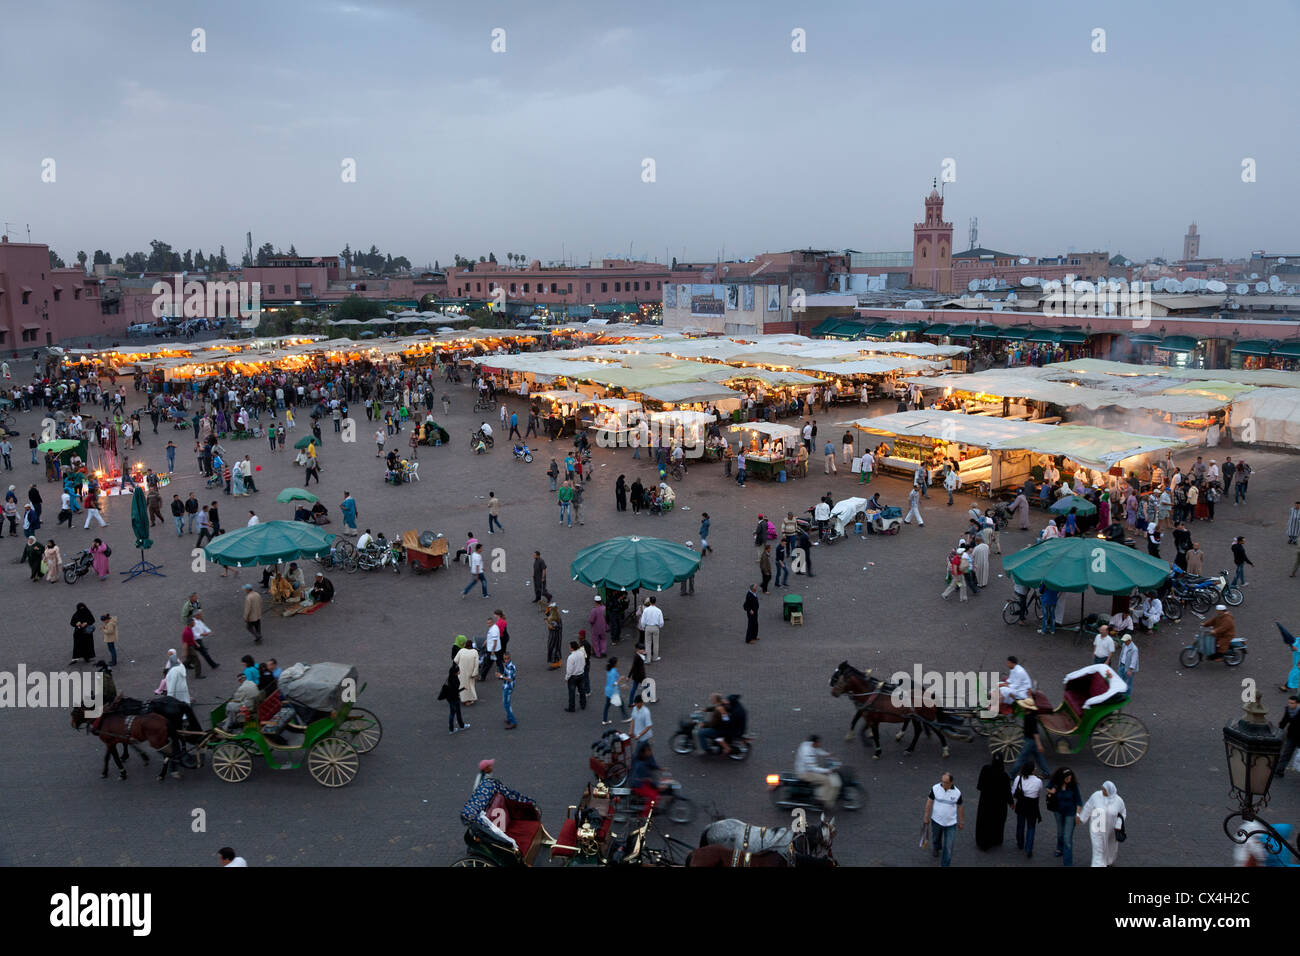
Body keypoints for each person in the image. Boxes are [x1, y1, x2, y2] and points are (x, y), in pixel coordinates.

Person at [1078, 781, 1126, 867]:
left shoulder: (1119, 801)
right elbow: (1088, 806)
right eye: (1102, 789)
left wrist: (1118, 825)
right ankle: (1098, 864)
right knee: (1098, 848)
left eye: (1105, 790)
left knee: (1111, 847)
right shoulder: (1096, 796)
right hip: (1097, 827)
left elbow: (1123, 812)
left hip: (1111, 829)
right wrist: (1082, 818)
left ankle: (1108, 861)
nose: (1103, 792)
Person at [923, 772, 964, 867]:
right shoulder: (935, 788)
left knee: (948, 847)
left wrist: (961, 821)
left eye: (945, 782)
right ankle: (936, 847)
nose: (942, 783)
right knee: (936, 837)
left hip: (951, 824)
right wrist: (926, 816)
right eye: (942, 781)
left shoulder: (957, 793)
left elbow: (960, 806)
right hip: (936, 821)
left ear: (951, 783)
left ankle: (944, 865)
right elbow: (929, 802)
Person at [1045, 768, 1083, 865]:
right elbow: (1047, 787)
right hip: (1058, 812)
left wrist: (1078, 815)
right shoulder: (1056, 782)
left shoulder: (1073, 786)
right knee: (1060, 833)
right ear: (1061, 778)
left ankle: (1068, 863)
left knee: (1067, 838)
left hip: (1070, 813)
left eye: (1070, 777)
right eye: (1067, 778)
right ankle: (1059, 848)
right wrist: (1052, 791)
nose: (1069, 779)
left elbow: (1079, 802)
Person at [975, 755, 1011, 850]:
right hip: (998, 804)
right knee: (996, 822)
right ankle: (994, 840)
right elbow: (1007, 792)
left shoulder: (985, 769)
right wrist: (1011, 802)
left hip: (985, 802)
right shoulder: (1004, 776)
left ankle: (982, 841)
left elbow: (979, 786)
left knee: (984, 821)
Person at [795, 734, 840, 808]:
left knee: (823, 776)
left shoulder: (807, 744)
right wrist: (827, 771)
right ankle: (822, 799)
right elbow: (813, 768)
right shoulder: (807, 753)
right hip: (805, 773)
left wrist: (827, 754)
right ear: (814, 743)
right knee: (827, 780)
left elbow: (817, 750)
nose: (820, 744)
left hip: (806, 769)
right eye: (818, 743)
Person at [1011, 765, 1043, 857]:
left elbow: (1013, 791)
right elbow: (1039, 792)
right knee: (1031, 827)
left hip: (1021, 804)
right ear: (1032, 771)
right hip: (1032, 806)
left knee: (1020, 825)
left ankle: (1020, 843)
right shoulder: (1038, 781)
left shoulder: (1018, 778)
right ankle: (1029, 848)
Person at [437, 661, 468, 734]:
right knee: (455, 713)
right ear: (456, 672)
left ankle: (453, 728)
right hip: (454, 698)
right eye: (459, 670)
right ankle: (460, 726)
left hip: (450, 698)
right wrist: (463, 689)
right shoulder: (455, 680)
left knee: (453, 713)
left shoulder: (451, 677)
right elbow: (455, 691)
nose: (460, 671)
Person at [1276, 696, 1300, 778]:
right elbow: (1284, 721)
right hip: (1292, 736)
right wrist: (1280, 730)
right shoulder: (1288, 710)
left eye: (1292, 703)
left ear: (1298, 703)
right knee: (1286, 754)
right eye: (1289, 702)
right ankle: (1279, 770)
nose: (1290, 705)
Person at [602, 657, 628, 725]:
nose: (618, 663)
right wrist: (620, 679)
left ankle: (604, 720)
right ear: (615, 664)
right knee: (621, 704)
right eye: (617, 662)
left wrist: (622, 685)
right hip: (613, 691)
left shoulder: (610, 670)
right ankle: (625, 717)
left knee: (607, 706)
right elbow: (614, 684)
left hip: (608, 691)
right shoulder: (613, 671)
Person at [455, 639, 479, 707]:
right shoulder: (475, 652)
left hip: (462, 672)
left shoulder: (461, 651)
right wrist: (475, 673)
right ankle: (470, 699)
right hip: (470, 673)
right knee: (470, 686)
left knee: (462, 685)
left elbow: (456, 660)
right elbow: (476, 664)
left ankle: (464, 699)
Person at [564, 640, 587, 712]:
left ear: (572, 648)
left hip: (573, 677)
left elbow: (569, 670)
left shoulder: (571, 657)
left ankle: (572, 707)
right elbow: (584, 663)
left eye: (570, 647)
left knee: (572, 693)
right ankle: (583, 705)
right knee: (582, 691)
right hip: (581, 675)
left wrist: (566, 678)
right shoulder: (581, 653)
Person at [497, 650, 517, 730]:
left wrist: (501, 676)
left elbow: (510, 679)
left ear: (509, 658)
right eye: (504, 659)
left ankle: (513, 721)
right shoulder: (508, 665)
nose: (505, 660)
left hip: (508, 687)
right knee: (506, 703)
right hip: (506, 686)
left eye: (506, 659)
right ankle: (509, 718)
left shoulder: (511, 666)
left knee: (506, 704)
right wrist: (501, 675)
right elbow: (506, 675)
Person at [640, 596, 663, 662]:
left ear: (649, 601)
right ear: (655, 601)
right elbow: (661, 622)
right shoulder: (658, 610)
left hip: (648, 627)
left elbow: (643, 621)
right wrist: (659, 626)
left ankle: (648, 659)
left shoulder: (646, 610)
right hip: (656, 627)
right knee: (656, 643)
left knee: (648, 643)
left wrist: (644, 627)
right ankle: (655, 657)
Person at [545, 601, 563, 669]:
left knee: (553, 649)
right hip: (557, 636)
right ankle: (558, 662)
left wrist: (548, 624)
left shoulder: (555, 618)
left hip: (554, 636)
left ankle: (555, 664)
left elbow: (554, 627)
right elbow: (548, 614)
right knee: (557, 649)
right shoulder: (556, 615)